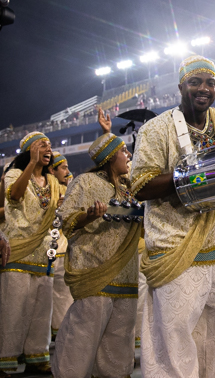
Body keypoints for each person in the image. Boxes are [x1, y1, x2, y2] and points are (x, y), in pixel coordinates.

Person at [130, 55, 215, 377]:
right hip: (174, 243)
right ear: (181, 86)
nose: (203, 89)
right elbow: (140, 186)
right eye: (195, 82)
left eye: (210, 83)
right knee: (175, 331)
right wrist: (195, 178)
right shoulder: (156, 128)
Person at [52, 133, 138, 377]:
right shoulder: (85, 182)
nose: (128, 155)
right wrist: (89, 216)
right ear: (110, 157)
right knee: (81, 340)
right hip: (95, 269)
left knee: (119, 344)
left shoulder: (127, 187)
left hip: (127, 274)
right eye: (123, 151)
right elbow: (65, 219)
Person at [0, 132, 63, 375]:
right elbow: (14, 195)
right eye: (42, 145)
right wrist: (31, 164)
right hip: (19, 249)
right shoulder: (15, 174)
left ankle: (37, 356)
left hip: (45, 252)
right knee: (13, 308)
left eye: (50, 145)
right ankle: (5, 359)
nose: (48, 148)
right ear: (29, 150)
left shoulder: (53, 183)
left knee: (41, 309)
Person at [48, 152, 74, 341]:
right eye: (63, 168)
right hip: (49, 249)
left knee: (63, 299)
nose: (68, 171)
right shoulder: (48, 189)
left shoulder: (67, 188)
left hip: (65, 250)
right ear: (52, 170)